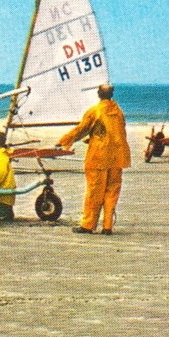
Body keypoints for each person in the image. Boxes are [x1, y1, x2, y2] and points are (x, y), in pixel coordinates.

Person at [58, 83, 131, 235]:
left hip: (99, 157)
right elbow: (118, 131)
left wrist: (64, 141)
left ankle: (88, 225)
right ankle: (107, 226)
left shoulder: (95, 111)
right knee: (112, 191)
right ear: (111, 94)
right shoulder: (118, 111)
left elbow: (81, 129)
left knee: (94, 191)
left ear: (98, 94)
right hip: (117, 156)